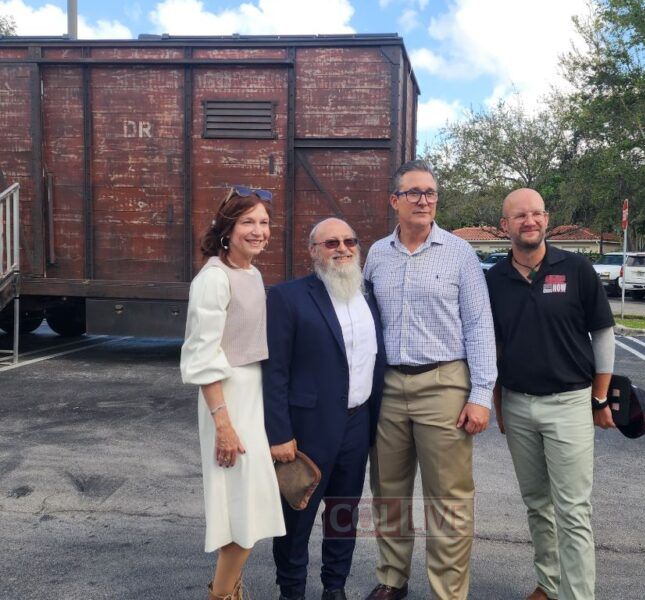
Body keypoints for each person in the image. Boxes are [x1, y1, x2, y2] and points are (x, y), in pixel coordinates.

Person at [363, 160, 497, 600]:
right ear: (394, 200)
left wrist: (481, 394)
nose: (424, 200)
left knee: (449, 500)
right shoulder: (377, 254)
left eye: (431, 193)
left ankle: (448, 591)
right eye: (414, 192)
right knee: (388, 492)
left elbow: (479, 324)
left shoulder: (459, 253)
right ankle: (392, 579)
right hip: (388, 387)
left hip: (444, 385)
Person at [485, 188, 616, 600]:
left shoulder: (576, 269)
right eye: (519, 216)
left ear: (546, 219)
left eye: (536, 214)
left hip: (570, 403)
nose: (530, 221)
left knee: (573, 510)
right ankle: (549, 584)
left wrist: (600, 397)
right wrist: (498, 403)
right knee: (537, 504)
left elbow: (603, 334)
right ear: (504, 225)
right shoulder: (494, 279)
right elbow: (495, 346)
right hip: (518, 405)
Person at [264, 218, 387, 600]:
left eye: (350, 241)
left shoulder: (368, 295)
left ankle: (335, 587)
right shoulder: (288, 298)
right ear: (313, 251)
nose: (343, 249)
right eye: (332, 243)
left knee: (343, 514)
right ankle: (292, 591)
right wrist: (279, 433)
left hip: (357, 423)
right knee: (296, 518)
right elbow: (274, 372)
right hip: (307, 431)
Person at [180, 185, 286, 600]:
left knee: (249, 505)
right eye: (248, 222)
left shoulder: (252, 273)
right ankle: (223, 593)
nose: (258, 230)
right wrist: (223, 424)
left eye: (264, 222)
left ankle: (229, 588)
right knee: (242, 505)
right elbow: (202, 355)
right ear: (227, 229)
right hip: (229, 398)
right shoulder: (213, 279)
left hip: (253, 393)